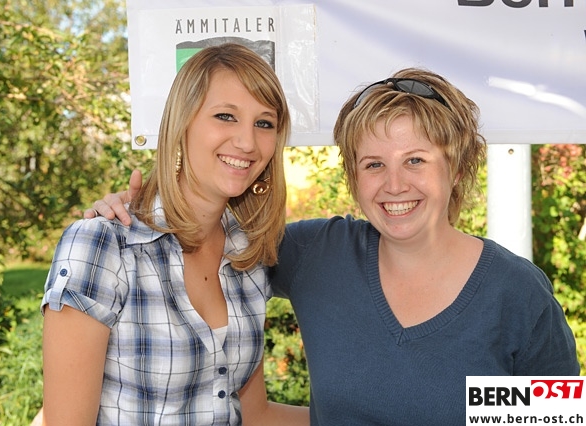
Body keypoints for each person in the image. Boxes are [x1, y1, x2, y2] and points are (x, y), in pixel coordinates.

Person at [86, 67, 580, 425]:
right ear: (353, 177)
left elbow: (554, 420)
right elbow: (205, 242)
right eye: (373, 165)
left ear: (456, 168)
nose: (394, 185)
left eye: (415, 160)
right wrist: (135, 211)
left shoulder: (516, 294)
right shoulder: (317, 255)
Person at [41, 43, 309, 425]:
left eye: (264, 123)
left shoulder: (247, 256)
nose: (247, 142)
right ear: (182, 123)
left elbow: (255, 415)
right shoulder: (103, 246)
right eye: (226, 116)